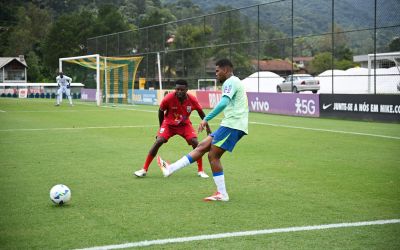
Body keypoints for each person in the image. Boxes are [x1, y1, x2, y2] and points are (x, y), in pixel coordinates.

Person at [157, 59, 248, 202]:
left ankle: (222, 194)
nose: (216, 74)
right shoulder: (233, 82)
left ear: (225, 70)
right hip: (230, 124)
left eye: (217, 71)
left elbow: (224, 103)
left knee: (213, 156)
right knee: (203, 146)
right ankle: (170, 169)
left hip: (233, 125)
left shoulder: (231, 82)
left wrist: (206, 119)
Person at [134, 79, 211, 178]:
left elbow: (201, 113)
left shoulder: (192, 99)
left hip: (184, 125)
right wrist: (161, 127)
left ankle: (200, 170)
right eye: (177, 89)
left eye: (181, 90)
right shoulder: (169, 98)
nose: (179, 91)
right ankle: (144, 169)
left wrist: (207, 127)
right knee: (158, 141)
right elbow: (160, 111)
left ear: (186, 89)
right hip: (169, 125)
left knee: (195, 142)